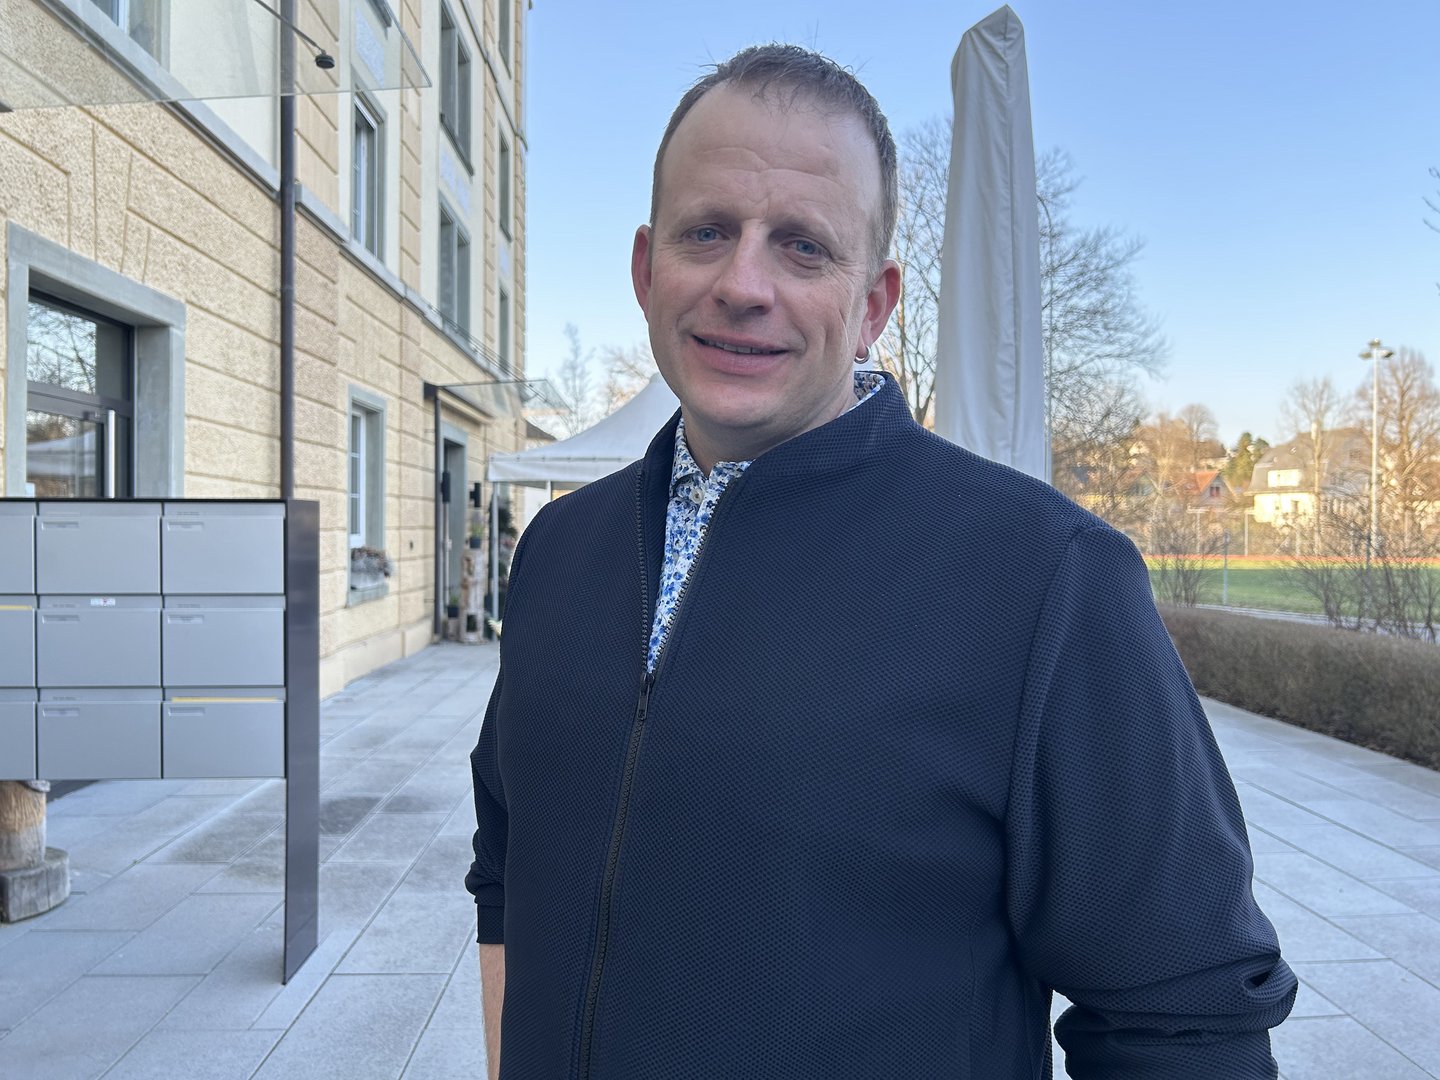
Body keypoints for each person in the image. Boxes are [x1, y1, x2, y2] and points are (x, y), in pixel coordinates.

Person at [467, 43, 1295, 1080]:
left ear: (873, 305)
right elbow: (508, 863)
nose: (744, 284)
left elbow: (1186, 1017)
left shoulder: (1045, 578)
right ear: (645, 270)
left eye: (804, 247)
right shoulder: (558, 549)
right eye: (707, 232)